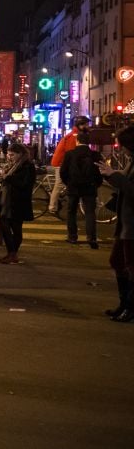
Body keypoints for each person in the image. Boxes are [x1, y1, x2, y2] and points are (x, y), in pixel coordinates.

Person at [98, 126, 134, 322]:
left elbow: (130, 188)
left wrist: (114, 175)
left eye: (122, 145)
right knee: (118, 261)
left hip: (131, 225)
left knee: (130, 265)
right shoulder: (131, 161)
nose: (120, 149)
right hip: (125, 222)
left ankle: (130, 308)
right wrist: (110, 175)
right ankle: (124, 304)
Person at [0, 142, 36, 265]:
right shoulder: (15, 164)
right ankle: (12, 253)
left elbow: (23, 184)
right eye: (8, 154)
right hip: (11, 201)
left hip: (19, 201)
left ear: (20, 154)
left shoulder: (27, 166)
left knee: (14, 227)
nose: (10, 157)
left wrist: (6, 177)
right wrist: (3, 177)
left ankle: (12, 253)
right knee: (8, 225)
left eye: (12, 155)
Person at [60, 131, 102, 248]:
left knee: (71, 211)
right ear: (88, 142)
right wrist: (96, 184)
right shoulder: (94, 155)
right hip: (90, 187)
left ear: (77, 141)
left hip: (73, 186)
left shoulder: (70, 154)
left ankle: (72, 236)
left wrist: (68, 183)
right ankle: (91, 238)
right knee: (90, 212)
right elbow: (99, 172)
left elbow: (63, 172)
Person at [50, 115, 90, 214]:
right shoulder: (74, 136)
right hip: (60, 162)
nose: (88, 127)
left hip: (63, 161)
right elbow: (71, 153)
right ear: (80, 125)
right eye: (86, 125)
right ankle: (52, 207)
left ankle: (63, 196)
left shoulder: (76, 134)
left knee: (69, 181)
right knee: (59, 184)